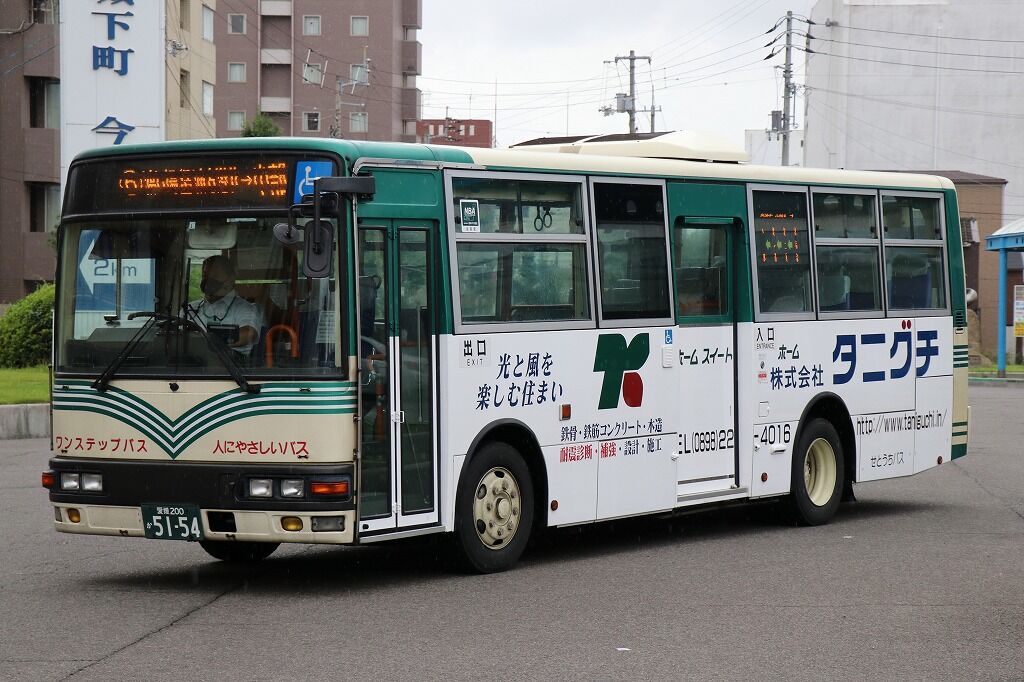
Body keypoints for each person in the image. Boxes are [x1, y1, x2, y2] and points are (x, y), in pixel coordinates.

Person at [188, 255, 263, 356]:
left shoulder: (246, 309)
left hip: (230, 368)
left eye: (215, 275)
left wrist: (207, 342)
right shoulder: (189, 308)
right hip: (190, 367)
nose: (208, 280)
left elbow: (249, 334)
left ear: (230, 280)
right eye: (205, 275)